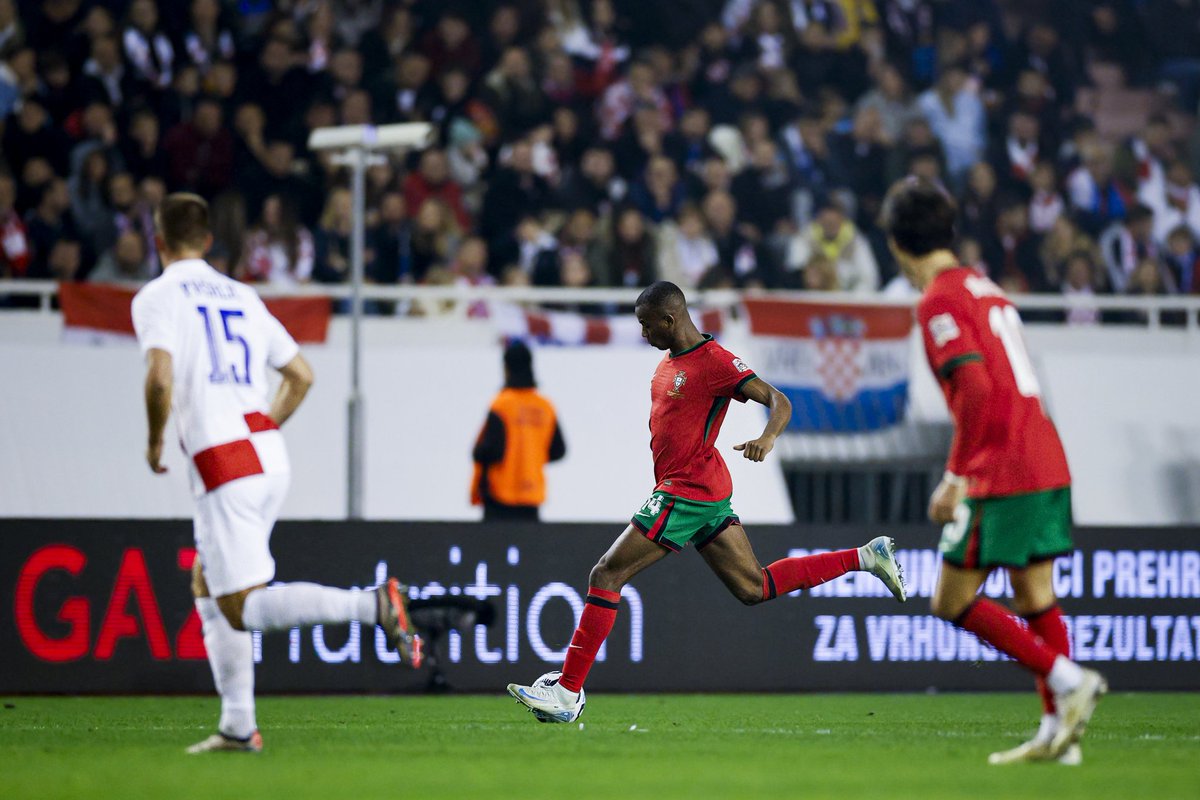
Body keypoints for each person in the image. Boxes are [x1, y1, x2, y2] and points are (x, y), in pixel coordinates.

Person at [506, 281, 907, 722]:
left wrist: (767, 437)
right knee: (754, 587)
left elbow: (780, 399)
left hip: (687, 490)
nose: (643, 334)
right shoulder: (668, 363)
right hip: (702, 490)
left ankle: (567, 692)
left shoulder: (715, 362)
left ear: (670, 320)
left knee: (607, 573)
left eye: (646, 325)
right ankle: (867, 557)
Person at [131, 193, 421, 755]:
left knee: (240, 604)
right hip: (265, 452)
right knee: (207, 584)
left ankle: (373, 605)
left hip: (223, 460)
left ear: (158, 241)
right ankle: (238, 725)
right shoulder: (241, 294)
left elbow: (160, 379)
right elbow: (302, 375)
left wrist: (153, 439)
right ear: (209, 239)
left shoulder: (158, 296)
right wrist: (263, 425)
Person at [880, 178, 1106, 765]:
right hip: (1045, 456)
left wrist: (955, 476)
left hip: (1002, 467)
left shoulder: (938, 301)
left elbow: (977, 390)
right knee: (1035, 592)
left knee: (950, 601)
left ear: (897, 245)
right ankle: (1060, 739)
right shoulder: (987, 288)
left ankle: (1066, 679)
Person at [471, 341, 567, 522]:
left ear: (506, 368)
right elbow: (558, 450)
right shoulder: (545, 407)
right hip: (531, 499)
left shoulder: (502, 404)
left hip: (498, 499)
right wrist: (532, 455)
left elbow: (490, 450)